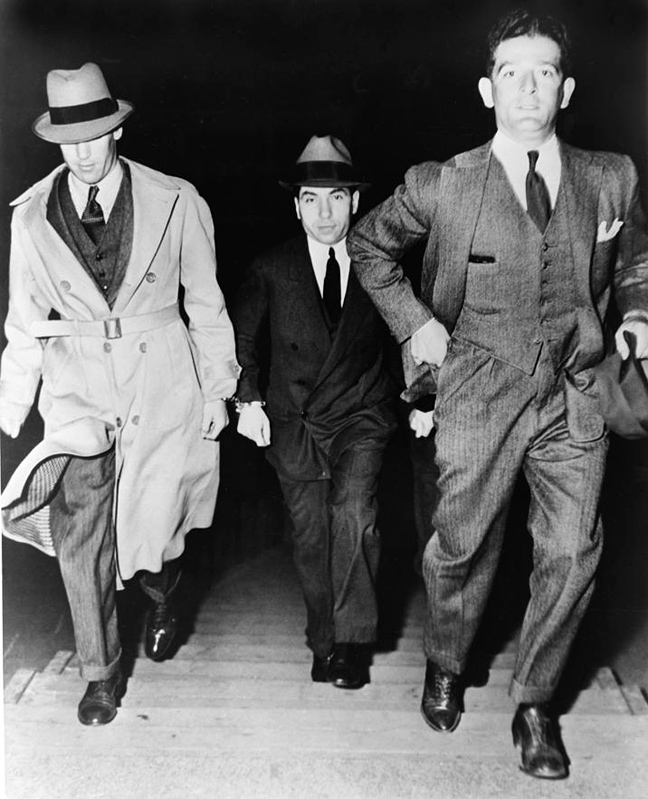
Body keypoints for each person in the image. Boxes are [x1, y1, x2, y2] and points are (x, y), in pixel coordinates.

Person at [348, 10, 648, 780]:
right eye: (511, 73)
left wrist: (638, 317)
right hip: (478, 386)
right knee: (461, 544)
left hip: (576, 389)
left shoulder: (611, 177)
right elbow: (368, 245)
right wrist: (417, 323)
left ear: (566, 88)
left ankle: (537, 703)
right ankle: (447, 660)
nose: (528, 88)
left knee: (573, 550)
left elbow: (635, 260)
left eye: (543, 72)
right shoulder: (443, 183)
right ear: (488, 90)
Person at [0, 63, 240, 726]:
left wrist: (219, 388)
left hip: (162, 382)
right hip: (76, 386)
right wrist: (9, 411)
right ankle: (100, 674)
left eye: (93, 136)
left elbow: (206, 302)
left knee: (155, 533)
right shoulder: (31, 218)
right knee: (82, 531)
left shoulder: (176, 200)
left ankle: (164, 592)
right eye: (67, 140)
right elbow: (23, 323)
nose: (81, 153)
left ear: (117, 129)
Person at [233, 135, 397, 689]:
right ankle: (323, 639)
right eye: (311, 199)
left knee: (353, 512)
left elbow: (409, 330)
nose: (324, 213)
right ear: (296, 206)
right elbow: (243, 339)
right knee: (310, 538)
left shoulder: (380, 263)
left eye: (336, 198)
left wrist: (420, 397)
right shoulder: (271, 267)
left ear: (356, 201)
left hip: (361, 414)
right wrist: (248, 398)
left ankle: (351, 642)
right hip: (294, 423)